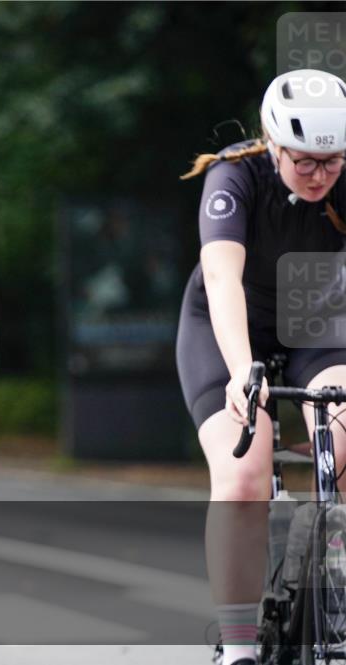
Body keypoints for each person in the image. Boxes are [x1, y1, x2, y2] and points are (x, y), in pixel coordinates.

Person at [176, 69, 346, 665]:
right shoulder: (233, 176)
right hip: (226, 327)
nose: (321, 174)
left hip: (316, 325)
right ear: (274, 145)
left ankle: (335, 577)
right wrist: (244, 371)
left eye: (334, 161)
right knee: (245, 473)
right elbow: (222, 279)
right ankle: (239, 646)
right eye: (305, 162)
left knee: (345, 438)